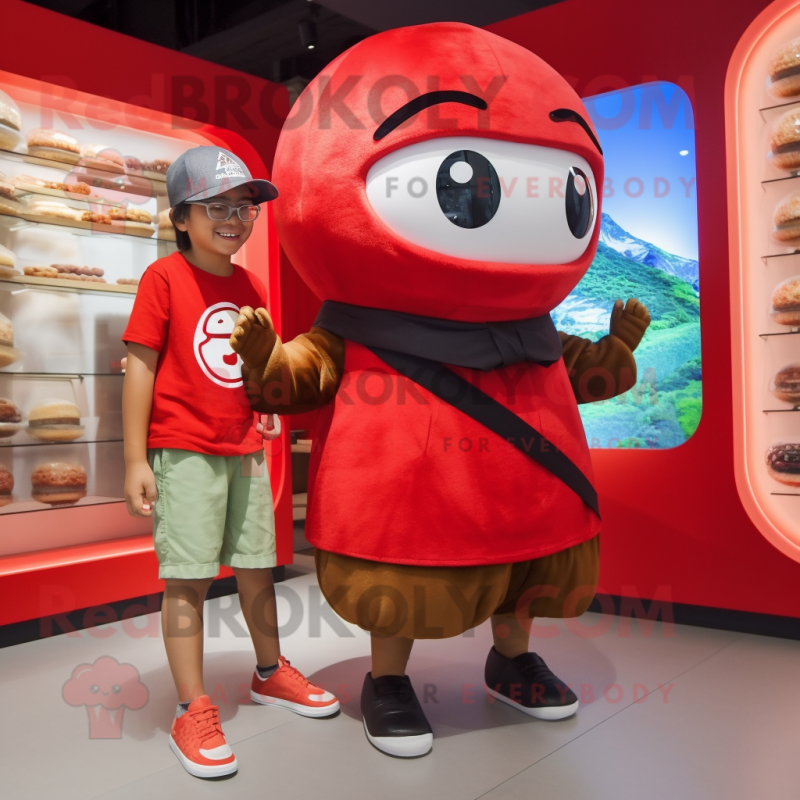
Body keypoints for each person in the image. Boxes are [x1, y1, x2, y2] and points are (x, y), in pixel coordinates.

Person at [122, 146, 338, 780]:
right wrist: (136, 457)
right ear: (180, 217)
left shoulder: (252, 285)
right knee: (187, 578)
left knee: (255, 567)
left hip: (245, 446)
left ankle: (271, 672)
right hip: (183, 449)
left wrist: (265, 402)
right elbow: (140, 368)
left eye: (243, 207)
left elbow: (256, 362)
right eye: (216, 206)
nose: (234, 219)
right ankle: (191, 707)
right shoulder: (162, 281)